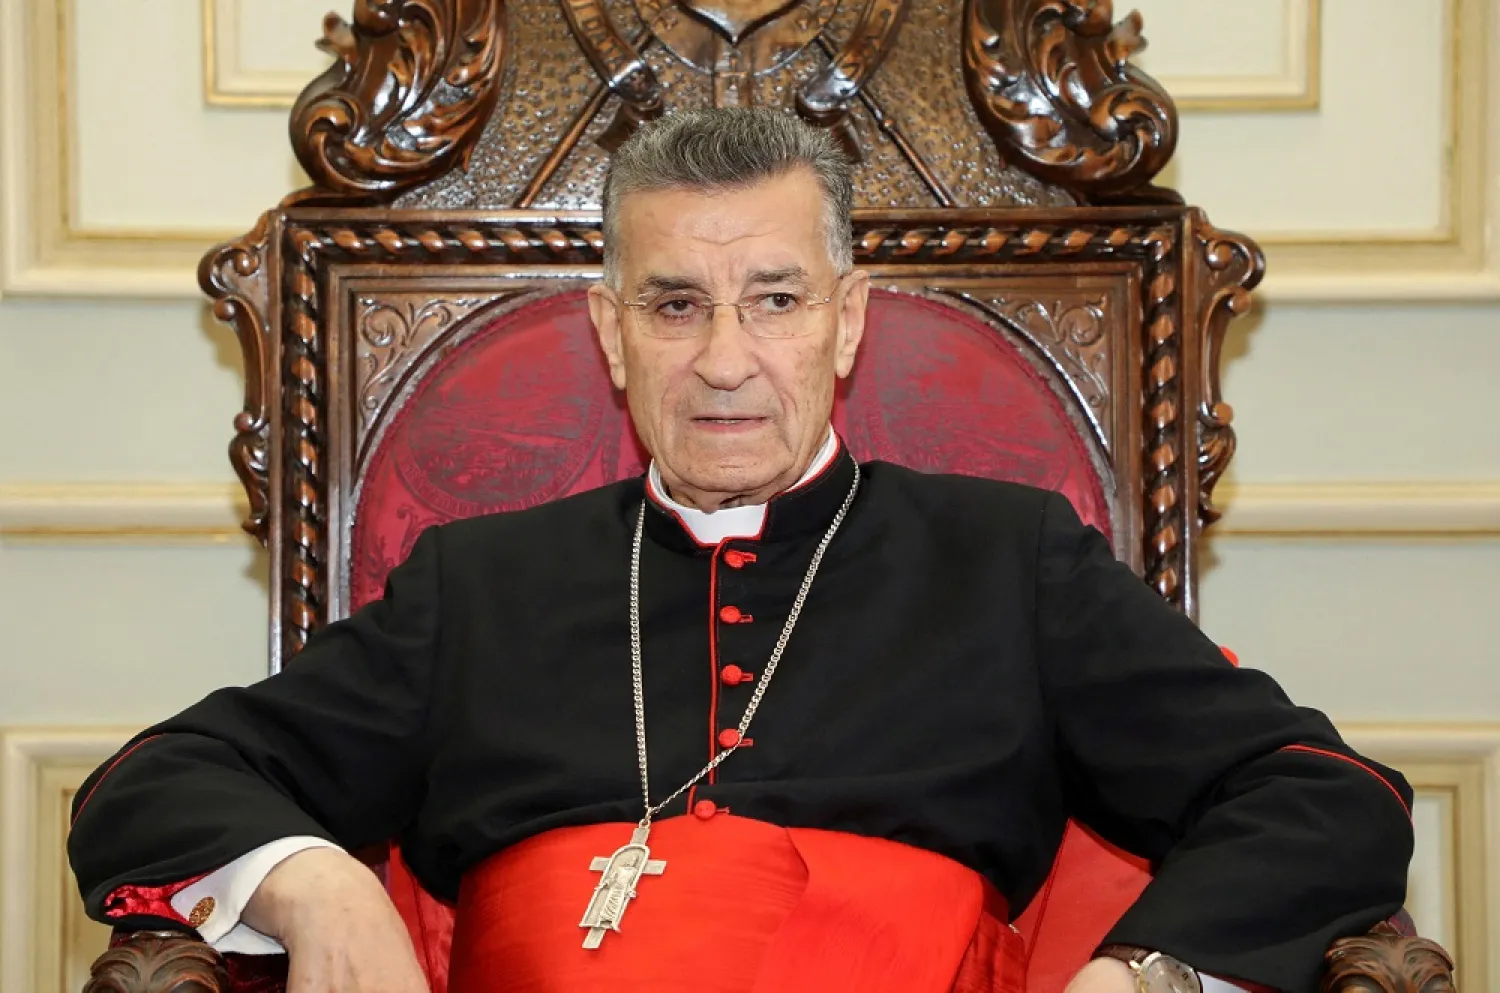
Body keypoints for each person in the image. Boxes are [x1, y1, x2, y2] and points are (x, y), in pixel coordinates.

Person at [68, 109, 1413, 993]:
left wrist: (1147, 980)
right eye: (673, 306)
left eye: (774, 301)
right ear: (608, 334)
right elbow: (158, 783)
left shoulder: (1006, 562)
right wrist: (312, 884)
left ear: (848, 321)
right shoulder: (480, 588)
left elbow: (1322, 793)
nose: (724, 362)